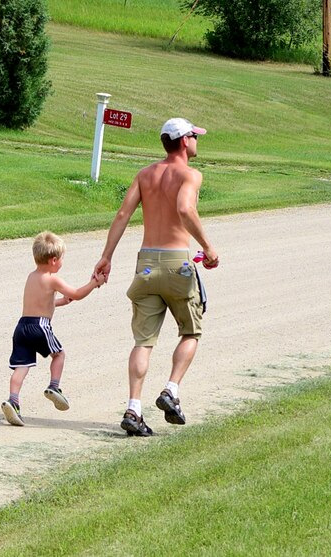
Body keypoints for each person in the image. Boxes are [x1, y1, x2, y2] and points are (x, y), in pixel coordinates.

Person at [93, 117, 219, 437]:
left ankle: (133, 408)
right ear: (185, 141)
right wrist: (207, 246)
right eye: (195, 136)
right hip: (178, 263)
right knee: (191, 332)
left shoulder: (145, 174)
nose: (197, 141)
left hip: (146, 263)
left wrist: (106, 256)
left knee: (143, 342)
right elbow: (185, 209)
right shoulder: (190, 174)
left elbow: (123, 215)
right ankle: (171, 390)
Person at [1, 231, 104, 427]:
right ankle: (54, 387)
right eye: (62, 258)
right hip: (40, 326)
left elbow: (41, 303)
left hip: (22, 326)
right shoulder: (52, 279)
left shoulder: (32, 277)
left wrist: (62, 302)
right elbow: (77, 293)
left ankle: (13, 401)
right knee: (59, 355)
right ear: (54, 260)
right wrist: (94, 283)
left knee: (21, 367)